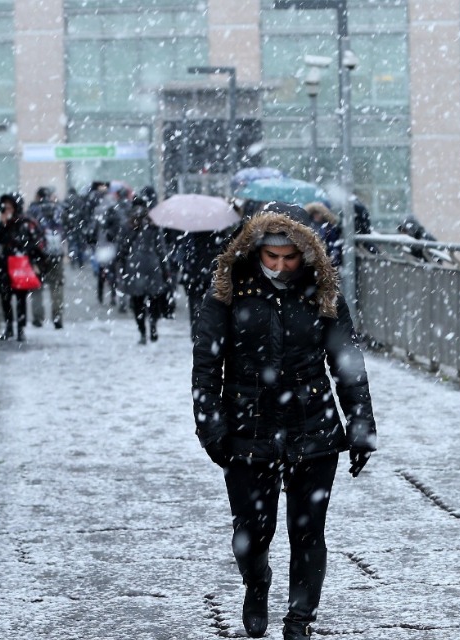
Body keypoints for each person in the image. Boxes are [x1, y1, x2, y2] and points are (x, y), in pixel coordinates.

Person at [191, 203, 377, 639]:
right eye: (270, 256)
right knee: (252, 534)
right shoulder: (227, 289)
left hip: (313, 425)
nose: (279, 266)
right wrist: (210, 427)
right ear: (255, 250)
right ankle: (257, 583)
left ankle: (300, 619)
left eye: (289, 257)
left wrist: (361, 424)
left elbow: (347, 362)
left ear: (305, 253)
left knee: (308, 533)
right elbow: (206, 365)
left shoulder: (323, 290)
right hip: (247, 428)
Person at [0, 192, 47, 342]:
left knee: (21, 298)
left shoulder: (25, 222)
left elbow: (32, 244)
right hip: (5, 265)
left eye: (10, 206)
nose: (8, 209)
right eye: (5, 207)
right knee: (5, 298)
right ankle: (9, 327)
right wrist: (3, 225)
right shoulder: (5, 223)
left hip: (21, 265)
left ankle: (20, 329)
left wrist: (34, 262)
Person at [116, 195, 170, 344]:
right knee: (153, 299)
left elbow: (121, 248)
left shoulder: (127, 225)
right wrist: (166, 269)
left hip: (134, 267)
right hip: (153, 265)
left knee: (137, 302)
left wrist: (121, 265)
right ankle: (153, 324)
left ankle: (142, 332)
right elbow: (161, 249)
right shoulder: (153, 224)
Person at [28, 186, 65, 329]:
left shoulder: (33, 211)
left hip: (38, 254)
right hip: (56, 253)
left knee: (37, 287)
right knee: (57, 286)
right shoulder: (58, 209)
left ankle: (38, 317)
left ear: (38, 196)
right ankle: (57, 317)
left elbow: (29, 233)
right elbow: (65, 228)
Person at [303, 201, 342, 267]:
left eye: (319, 213)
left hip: (324, 258)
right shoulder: (306, 225)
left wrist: (333, 256)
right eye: (315, 213)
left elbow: (334, 243)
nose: (317, 215)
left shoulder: (329, 228)